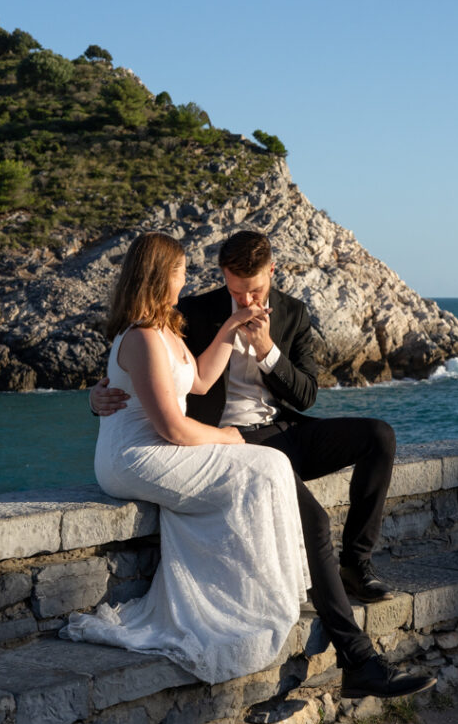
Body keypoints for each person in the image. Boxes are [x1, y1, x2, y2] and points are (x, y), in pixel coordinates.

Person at [92, 229, 436, 699]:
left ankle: (356, 564)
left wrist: (267, 348)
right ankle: (357, 656)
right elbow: (136, 381)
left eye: (253, 289)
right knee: (310, 517)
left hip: (281, 430)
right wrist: (96, 399)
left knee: (379, 435)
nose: (246, 298)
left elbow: (307, 394)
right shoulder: (186, 315)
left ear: (271, 273)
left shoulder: (292, 313)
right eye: (236, 290)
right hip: (227, 441)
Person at [64, 231, 310, 684]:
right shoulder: (140, 336)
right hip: (135, 456)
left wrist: (231, 327)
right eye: (179, 272)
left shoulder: (165, 329)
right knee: (265, 465)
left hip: (157, 450)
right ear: (160, 277)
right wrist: (230, 439)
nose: (185, 280)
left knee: (271, 465)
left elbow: (197, 382)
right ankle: (244, 600)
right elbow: (172, 428)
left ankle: (251, 595)